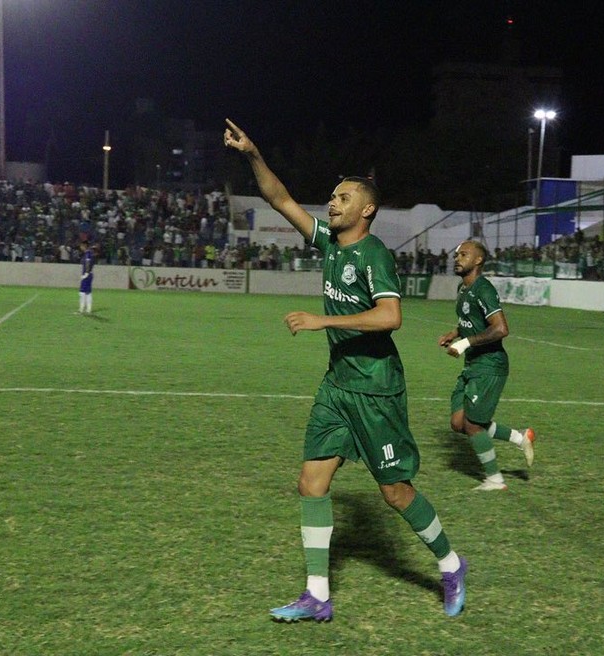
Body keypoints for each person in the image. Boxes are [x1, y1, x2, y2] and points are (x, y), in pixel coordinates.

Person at [224, 119, 468, 621]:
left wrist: (323, 320)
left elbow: (390, 316)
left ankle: (451, 563)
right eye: (332, 197)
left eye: (343, 197)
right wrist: (253, 154)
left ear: (367, 209)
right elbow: (280, 199)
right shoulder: (331, 244)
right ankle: (317, 596)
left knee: (395, 492)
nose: (332, 202)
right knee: (311, 483)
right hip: (337, 386)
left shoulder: (374, 254)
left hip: (377, 392)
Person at [438, 240, 536, 491]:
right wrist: (455, 332)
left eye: (463, 255)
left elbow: (501, 329)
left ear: (478, 260)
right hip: (474, 363)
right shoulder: (464, 288)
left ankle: (495, 479)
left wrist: (465, 343)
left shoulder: (484, 289)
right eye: (456, 254)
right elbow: (472, 320)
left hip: (490, 365)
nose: (457, 258)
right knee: (458, 423)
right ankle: (519, 437)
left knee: (472, 424)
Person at [78, 241, 94, 314]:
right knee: (88, 292)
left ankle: (81, 309)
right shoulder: (89, 253)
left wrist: (86, 273)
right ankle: (88, 309)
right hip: (89, 274)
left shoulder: (87, 254)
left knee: (82, 292)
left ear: (84, 246)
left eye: (81, 246)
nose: (80, 247)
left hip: (87, 274)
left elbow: (88, 263)